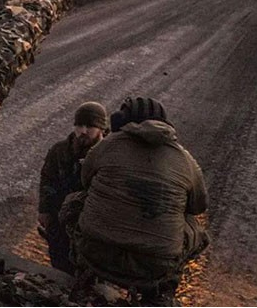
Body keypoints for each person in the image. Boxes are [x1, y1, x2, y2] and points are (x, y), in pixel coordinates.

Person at [72, 97, 209, 305]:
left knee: (75, 202)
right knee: (194, 226)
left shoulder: (107, 145)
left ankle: (82, 271)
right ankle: (163, 292)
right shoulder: (185, 160)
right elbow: (199, 205)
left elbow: (85, 181)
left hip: (97, 253)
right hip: (153, 267)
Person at [37, 101, 108, 275]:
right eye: (79, 125)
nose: (83, 131)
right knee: (59, 263)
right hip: (59, 219)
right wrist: (44, 210)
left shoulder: (108, 155)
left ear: (101, 129)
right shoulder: (59, 150)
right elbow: (47, 179)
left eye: (90, 126)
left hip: (90, 225)